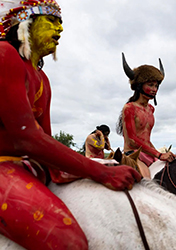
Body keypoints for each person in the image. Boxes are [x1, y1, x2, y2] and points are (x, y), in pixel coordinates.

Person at [0, 1, 141, 249]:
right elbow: (27, 138)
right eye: (52, 21)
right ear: (25, 23)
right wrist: (101, 172)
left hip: (28, 164)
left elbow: (46, 140)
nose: (60, 30)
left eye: (61, 23)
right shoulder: (4, 54)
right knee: (65, 241)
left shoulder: (43, 79)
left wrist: (74, 168)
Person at [116, 53, 176, 179]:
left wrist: (160, 154)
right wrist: (159, 155)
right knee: (147, 179)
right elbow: (132, 140)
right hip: (133, 154)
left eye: (156, 86)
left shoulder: (151, 109)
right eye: (150, 85)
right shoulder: (129, 108)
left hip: (149, 153)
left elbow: (146, 139)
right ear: (139, 85)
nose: (154, 89)